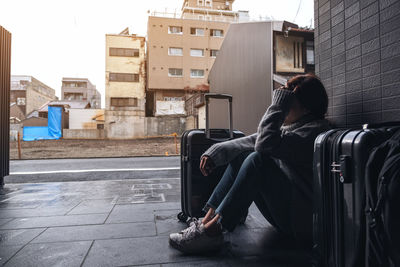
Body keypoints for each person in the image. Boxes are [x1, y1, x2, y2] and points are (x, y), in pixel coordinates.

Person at [169, 74, 331, 254]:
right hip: (289, 214)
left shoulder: (314, 133)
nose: (284, 107)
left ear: (306, 107)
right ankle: (206, 223)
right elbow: (254, 141)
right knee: (243, 155)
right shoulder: (297, 128)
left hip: (302, 224)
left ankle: (214, 231)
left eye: (289, 102)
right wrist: (216, 152)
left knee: (258, 159)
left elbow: (264, 144)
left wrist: (277, 105)